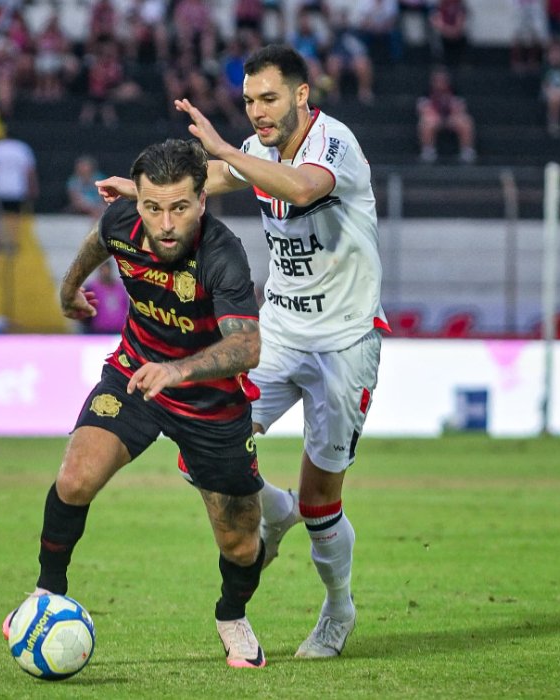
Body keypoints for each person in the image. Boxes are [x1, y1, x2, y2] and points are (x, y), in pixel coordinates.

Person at [99, 44, 388, 659]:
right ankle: (273, 508)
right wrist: (147, 191)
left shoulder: (335, 145)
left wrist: (228, 152)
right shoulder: (255, 149)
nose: (256, 110)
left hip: (344, 343)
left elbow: (304, 188)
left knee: (322, 502)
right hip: (279, 333)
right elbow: (216, 179)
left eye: (269, 98)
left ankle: (337, 610)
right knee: (203, 454)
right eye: (250, 99)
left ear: (302, 96)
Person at [2, 139, 269, 669]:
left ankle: (232, 615)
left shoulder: (222, 253)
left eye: (178, 208)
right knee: (75, 478)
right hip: (135, 377)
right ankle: (46, 593)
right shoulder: (123, 221)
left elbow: (248, 347)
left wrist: (177, 371)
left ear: (202, 201)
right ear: (137, 201)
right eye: (152, 207)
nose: (165, 223)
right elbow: (98, 240)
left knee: (241, 543)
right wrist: (68, 289)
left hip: (211, 403)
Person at [0, 135, 37, 253]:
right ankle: (13, 241)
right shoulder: (22, 148)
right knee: (15, 216)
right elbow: (29, 170)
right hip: (17, 188)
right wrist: (32, 187)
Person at [417, 67, 477, 164]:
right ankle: (428, 151)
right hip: (434, 119)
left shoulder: (455, 91)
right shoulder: (426, 93)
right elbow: (422, 109)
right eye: (438, 80)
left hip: (451, 118)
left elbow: (460, 108)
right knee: (425, 122)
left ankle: (467, 151)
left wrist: (450, 117)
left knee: (466, 121)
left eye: (443, 80)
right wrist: (437, 117)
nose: (440, 83)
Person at [80, 260, 127, 334]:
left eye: (107, 270)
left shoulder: (120, 287)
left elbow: (125, 306)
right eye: (103, 270)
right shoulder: (92, 288)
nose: (105, 273)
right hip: (98, 331)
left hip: (118, 330)